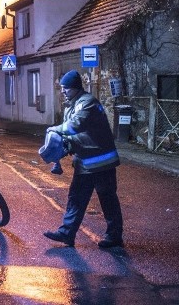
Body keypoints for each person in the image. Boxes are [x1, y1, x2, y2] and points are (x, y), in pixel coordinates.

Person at [43, 70, 124, 249]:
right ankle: (66, 233)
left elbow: (74, 127)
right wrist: (63, 149)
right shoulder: (72, 104)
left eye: (66, 88)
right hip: (85, 162)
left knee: (107, 199)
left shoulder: (88, 103)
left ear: (76, 88)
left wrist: (54, 129)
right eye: (62, 88)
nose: (63, 91)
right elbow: (74, 136)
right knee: (76, 198)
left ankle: (114, 236)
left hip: (101, 162)